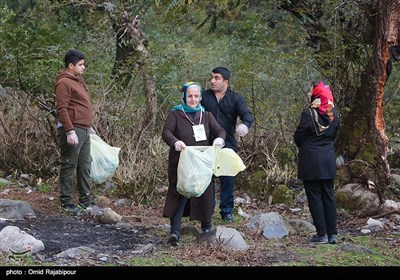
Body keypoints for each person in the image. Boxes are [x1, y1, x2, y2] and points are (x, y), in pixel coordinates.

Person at [162, 82, 226, 246]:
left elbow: (220, 131)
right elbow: (166, 132)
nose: (193, 99)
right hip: (180, 161)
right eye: (190, 96)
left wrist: (219, 139)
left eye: (196, 96)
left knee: (205, 194)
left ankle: (206, 229)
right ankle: (175, 232)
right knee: (180, 193)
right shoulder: (175, 114)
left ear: (200, 97)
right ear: (184, 96)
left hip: (201, 163)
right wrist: (175, 142)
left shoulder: (206, 115)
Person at [201, 67, 254, 222]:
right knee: (206, 178)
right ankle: (206, 210)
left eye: (217, 78)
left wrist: (245, 125)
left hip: (228, 143)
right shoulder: (203, 97)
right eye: (212, 77)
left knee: (227, 178)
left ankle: (226, 211)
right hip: (206, 143)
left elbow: (247, 115)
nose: (212, 81)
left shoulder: (235, 98)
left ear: (225, 82)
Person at [294, 80, 339, 244]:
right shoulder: (333, 113)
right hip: (327, 159)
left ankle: (322, 234)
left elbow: (298, 136)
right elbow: (334, 134)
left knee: (315, 197)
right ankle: (332, 233)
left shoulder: (308, 114)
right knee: (329, 195)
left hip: (311, 161)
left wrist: (308, 146)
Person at [55, 49, 96, 215]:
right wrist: (70, 131)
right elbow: (61, 108)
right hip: (72, 129)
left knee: (85, 166)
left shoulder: (78, 80)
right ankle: (66, 202)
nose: (83, 67)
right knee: (69, 164)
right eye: (80, 64)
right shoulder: (64, 82)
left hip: (84, 129)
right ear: (70, 65)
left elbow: (81, 106)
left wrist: (89, 125)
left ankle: (85, 200)